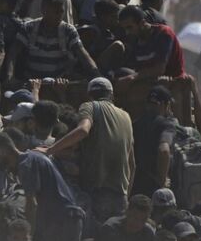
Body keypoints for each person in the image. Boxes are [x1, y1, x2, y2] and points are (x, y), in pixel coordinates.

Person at [44, 77, 134, 221]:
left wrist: (50, 150)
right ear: (112, 95)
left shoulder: (89, 106)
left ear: (89, 95)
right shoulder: (126, 116)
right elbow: (131, 164)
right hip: (120, 194)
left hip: (95, 192)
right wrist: (126, 195)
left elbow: (83, 130)